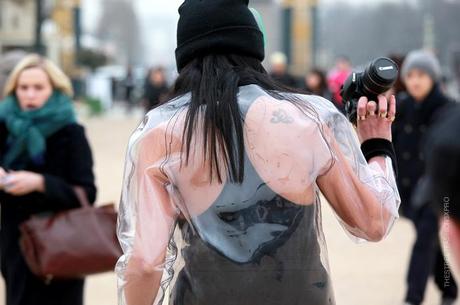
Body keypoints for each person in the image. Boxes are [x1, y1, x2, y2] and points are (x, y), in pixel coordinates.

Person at [116, 1, 400, 305]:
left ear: (185, 53)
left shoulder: (162, 133)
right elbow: (372, 222)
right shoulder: (310, 118)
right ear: (254, 45)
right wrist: (377, 145)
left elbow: (146, 263)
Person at [0, 54, 96, 305]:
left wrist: (40, 183)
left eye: (38, 87)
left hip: (62, 247)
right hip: (16, 247)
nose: (30, 94)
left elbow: (87, 193)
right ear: (14, 90)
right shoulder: (4, 128)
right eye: (23, 87)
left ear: (54, 90)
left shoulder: (71, 133)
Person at [393, 50, 457, 305]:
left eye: (421, 75)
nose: (415, 81)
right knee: (432, 241)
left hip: (440, 191)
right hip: (409, 190)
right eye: (410, 75)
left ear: (433, 77)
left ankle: (412, 298)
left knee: (424, 240)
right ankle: (449, 289)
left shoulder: (448, 109)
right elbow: (393, 145)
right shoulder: (402, 106)